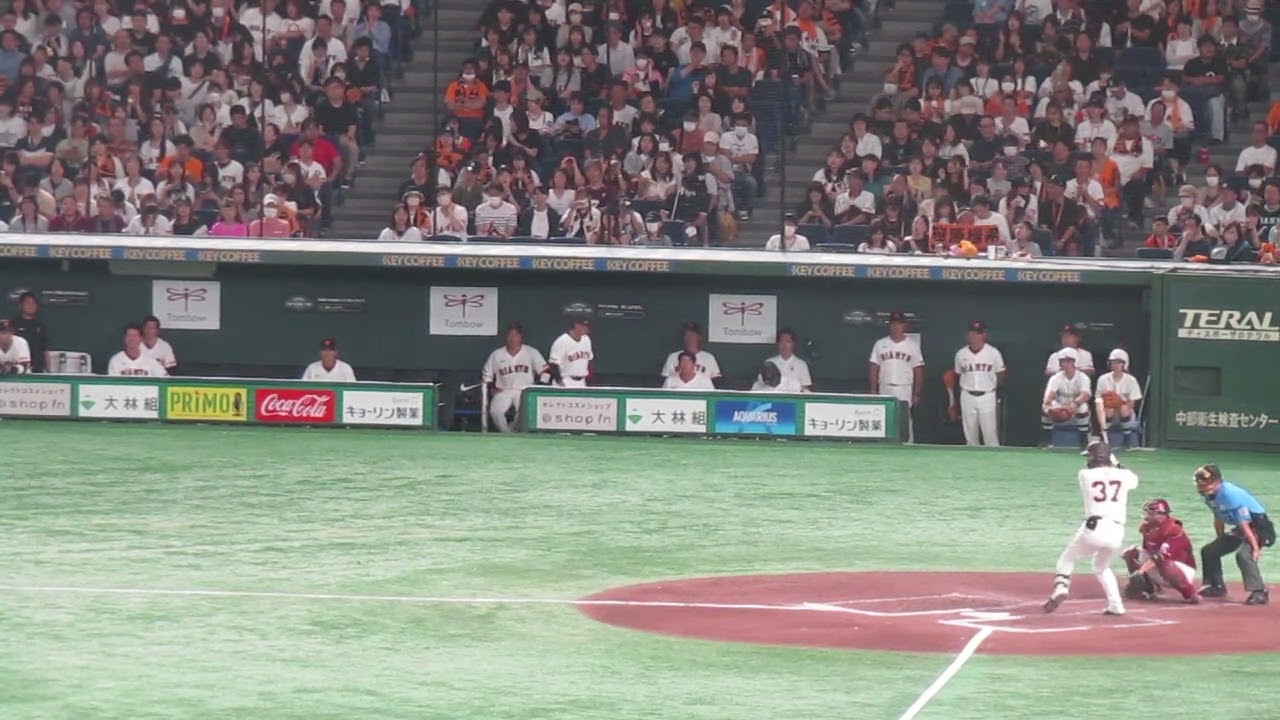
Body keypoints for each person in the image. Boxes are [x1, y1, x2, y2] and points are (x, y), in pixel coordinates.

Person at [1043, 441, 1137, 617]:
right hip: (1117, 532)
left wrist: (1111, 464)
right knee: (1101, 566)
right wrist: (1116, 463)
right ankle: (1116, 605)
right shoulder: (1124, 475)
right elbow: (1133, 480)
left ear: (1095, 458)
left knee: (1068, 558)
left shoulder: (1085, 475)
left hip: (1095, 528)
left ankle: (1061, 587)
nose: (1087, 459)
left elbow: (1101, 474)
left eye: (1090, 456)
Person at [1195, 464, 1274, 605]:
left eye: (1204, 481)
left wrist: (1255, 548)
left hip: (1259, 527)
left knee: (1243, 555)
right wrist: (1220, 540)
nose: (1201, 484)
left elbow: (1244, 523)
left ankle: (1260, 592)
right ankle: (1216, 587)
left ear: (1215, 481)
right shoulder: (1209, 495)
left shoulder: (1230, 494)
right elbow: (1218, 517)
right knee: (1209, 551)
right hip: (1241, 527)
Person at [1122, 499, 1199, 603]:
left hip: (1182, 570)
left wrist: (1140, 571)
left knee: (1163, 562)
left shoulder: (1173, 529)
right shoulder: (1146, 528)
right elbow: (1147, 550)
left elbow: (1161, 556)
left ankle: (1190, 593)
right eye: (1147, 512)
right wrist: (1139, 572)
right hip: (1159, 566)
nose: (1147, 516)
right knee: (1130, 552)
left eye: (1150, 513)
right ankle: (1147, 588)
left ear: (1161, 515)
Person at [868, 311, 924, 443]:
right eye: (893, 324)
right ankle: (885, 444)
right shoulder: (880, 344)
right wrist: (873, 389)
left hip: (904, 387)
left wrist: (917, 392)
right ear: (890, 326)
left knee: (904, 418)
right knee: (885, 417)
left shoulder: (912, 345)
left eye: (899, 324)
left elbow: (918, 369)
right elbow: (874, 367)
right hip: (885, 386)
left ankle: (907, 444)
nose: (896, 327)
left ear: (904, 326)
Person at [481, 322, 546, 433]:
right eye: (510, 335)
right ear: (505, 337)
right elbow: (487, 374)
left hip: (524, 390)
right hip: (503, 390)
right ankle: (506, 433)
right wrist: (492, 387)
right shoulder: (497, 354)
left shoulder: (531, 352)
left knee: (524, 412)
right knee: (495, 411)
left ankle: (513, 431)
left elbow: (545, 371)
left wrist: (540, 385)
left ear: (521, 336)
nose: (512, 338)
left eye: (515, 335)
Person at [951, 320, 1005, 447]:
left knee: (990, 436)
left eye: (978, 333)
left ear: (984, 335)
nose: (975, 336)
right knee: (970, 437)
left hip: (987, 395)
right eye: (973, 333)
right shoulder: (961, 354)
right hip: (967, 395)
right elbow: (957, 374)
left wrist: (993, 388)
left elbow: (1001, 373)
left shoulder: (993, 353)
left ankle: (994, 459)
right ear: (968, 335)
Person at [1040, 347, 1092, 449]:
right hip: (1060, 405)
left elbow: (1085, 395)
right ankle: (1047, 440)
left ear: (1075, 362)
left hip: (1075, 405)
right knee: (1045, 407)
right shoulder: (1056, 377)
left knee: (1083, 407)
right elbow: (1047, 398)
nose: (1066, 364)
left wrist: (1073, 406)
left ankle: (1084, 441)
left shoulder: (1083, 377)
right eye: (1063, 361)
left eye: (1069, 361)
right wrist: (1056, 408)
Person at [1096, 348, 1142, 446]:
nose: (1114, 365)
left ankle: (1127, 438)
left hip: (1126, 414)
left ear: (1124, 364)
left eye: (1118, 362)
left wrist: (1119, 403)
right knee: (1109, 409)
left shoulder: (1131, 380)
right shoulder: (1103, 379)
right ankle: (1105, 436)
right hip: (1107, 413)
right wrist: (1109, 403)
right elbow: (1098, 401)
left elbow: (1132, 404)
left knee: (1123, 408)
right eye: (1112, 362)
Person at [547, 318, 593, 388]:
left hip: (582, 382)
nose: (586, 329)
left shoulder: (586, 339)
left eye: (587, 326)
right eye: (584, 326)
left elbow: (589, 360)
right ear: (576, 325)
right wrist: (560, 382)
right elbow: (553, 364)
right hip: (566, 381)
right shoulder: (562, 340)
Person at [12, 291, 49, 373]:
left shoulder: (40, 326)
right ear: (20, 305)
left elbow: (45, 350)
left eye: (33, 303)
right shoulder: (13, 325)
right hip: (19, 370)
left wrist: (49, 370)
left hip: (38, 370)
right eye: (27, 302)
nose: (31, 305)